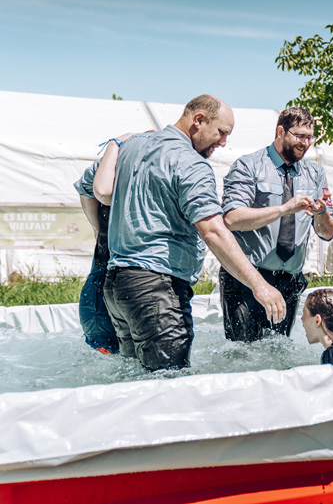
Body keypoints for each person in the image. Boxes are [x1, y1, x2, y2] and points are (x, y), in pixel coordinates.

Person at [99, 94, 286, 371]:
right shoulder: (191, 163)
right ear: (198, 120)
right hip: (156, 290)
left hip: (117, 285)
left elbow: (93, 187)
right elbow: (213, 231)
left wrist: (98, 232)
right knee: (169, 387)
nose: (223, 142)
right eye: (221, 133)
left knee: (134, 383)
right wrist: (260, 285)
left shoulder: (132, 145)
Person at [220, 107, 333, 342]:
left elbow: (328, 232)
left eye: (309, 137)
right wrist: (285, 209)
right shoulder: (248, 166)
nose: (305, 143)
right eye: (299, 136)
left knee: (277, 353)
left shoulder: (315, 173)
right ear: (280, 131)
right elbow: (232, 218)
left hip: (289, 281)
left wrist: (322, 213)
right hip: (247, 278)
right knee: (242, 355)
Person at [74, 157, 122, 354]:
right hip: (114, 267)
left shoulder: (114, 164)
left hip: (108, 263)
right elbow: (88, 188)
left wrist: (97, 226)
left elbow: (86, 188)